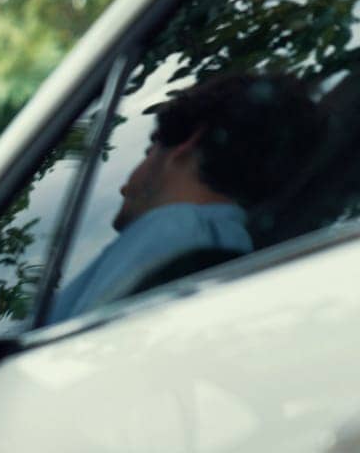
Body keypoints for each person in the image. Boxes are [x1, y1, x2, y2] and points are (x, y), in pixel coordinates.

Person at [49, 72, 319, 322]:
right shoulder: (232, 247)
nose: (124, 188)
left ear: (188, 142)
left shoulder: (173, 231)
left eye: (149, 151)